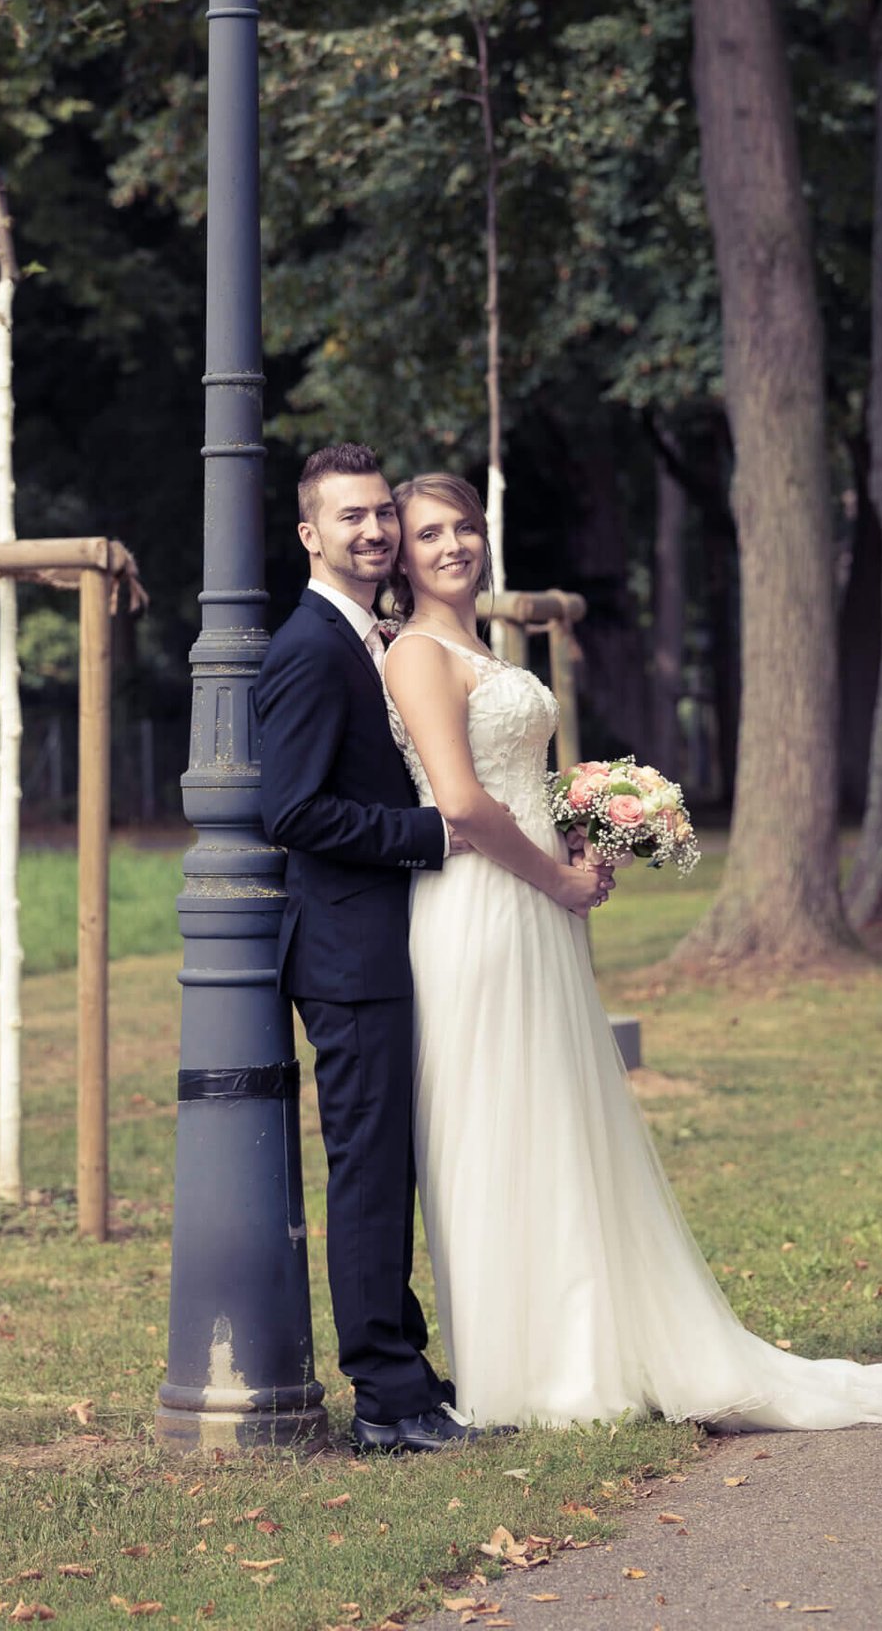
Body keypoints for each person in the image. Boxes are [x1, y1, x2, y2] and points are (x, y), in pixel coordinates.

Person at [382, 469, 882, 1435]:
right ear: (401, 553)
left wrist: (579, 834)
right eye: (430, 533)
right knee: (494, 1122)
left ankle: (591, 1342)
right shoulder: (417, 655)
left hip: (535, 902)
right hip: (476, 908)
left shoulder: (485, 643)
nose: (453, 546)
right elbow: (463, 804)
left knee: (561, 1118)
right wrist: (555, 879)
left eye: (465, 527)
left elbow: (516, 784)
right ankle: (524, 1372)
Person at [253, 443, 611, 1455]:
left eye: (380, 514)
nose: (371, 531)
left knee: (399, 1166)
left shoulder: (371, 635)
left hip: (403, 935)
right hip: (347, 950)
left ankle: (412, 1373)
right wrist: (432, 834)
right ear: (308, 533)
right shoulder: (310, 647)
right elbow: (289, 810)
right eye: (350, 517)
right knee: (370, 1174)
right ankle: (387, 1404)